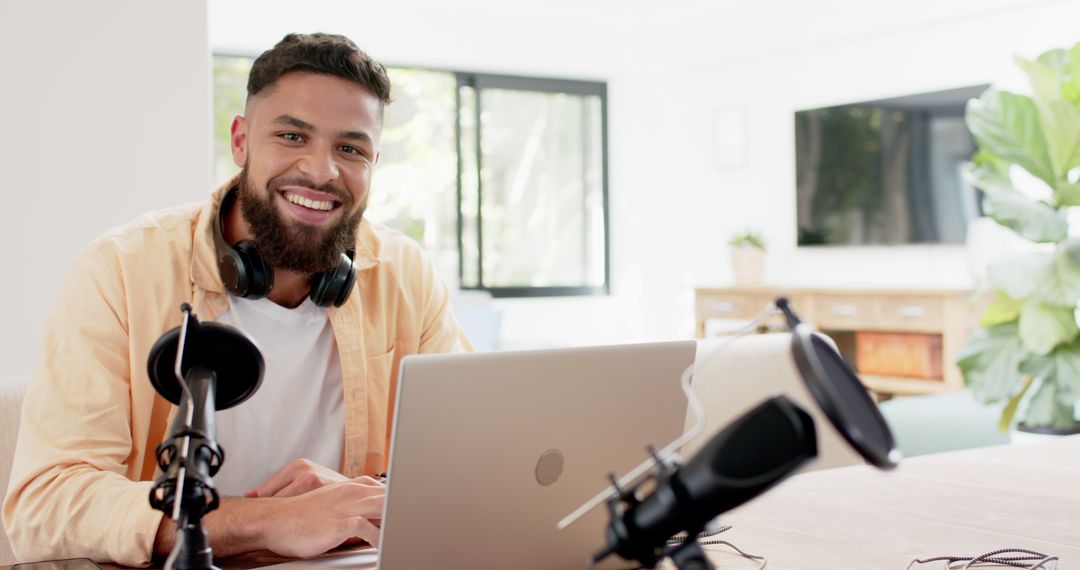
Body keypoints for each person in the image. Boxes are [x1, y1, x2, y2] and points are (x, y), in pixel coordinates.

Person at [2, 33, 471, 566]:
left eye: (350, 148)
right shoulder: (119, 271)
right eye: (293, 136)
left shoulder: (406, 274)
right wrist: (272, 523)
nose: (321, 171)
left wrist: (367, 493)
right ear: (242, 141)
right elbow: (46, 504)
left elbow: (464, 460)